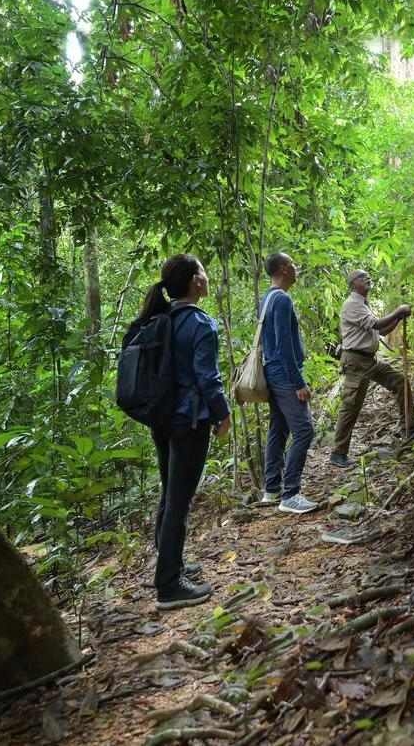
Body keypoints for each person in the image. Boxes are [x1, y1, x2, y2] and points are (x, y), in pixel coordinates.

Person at [127, 254, 231, 609]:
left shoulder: (161, 318)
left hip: (162, 418)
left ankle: (171, 563)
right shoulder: (201, 324)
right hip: (190, 420)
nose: (206, 276)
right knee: (179, 501)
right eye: (202, 271)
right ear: (194, 282)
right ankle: (169, 584)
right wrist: (223, 414)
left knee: (170, 494)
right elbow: (207, 377)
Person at [329, 269, 414, 468]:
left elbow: (381, 330)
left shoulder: (363, 304)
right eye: (362, 277)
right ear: (353, 283)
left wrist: (399, 317)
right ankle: (338, 453)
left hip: (369, 360)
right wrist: (399, 310)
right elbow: (377, 324)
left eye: (368, 276)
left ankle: (410, 427)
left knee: (399, 382)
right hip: (356, 361)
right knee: (351, 406)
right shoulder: (352, 304)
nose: (367, 278)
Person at [258, 252, 319, 514]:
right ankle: (290, 494)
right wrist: (298, 382)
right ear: (283, 269)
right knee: (304, 430)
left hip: (271, 371)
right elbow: (284, 345)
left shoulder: (267, 298)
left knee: (279, 428)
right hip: (283, 374)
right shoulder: (281, 299)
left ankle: (271, 489)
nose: (296, 268)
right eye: (293, 264)